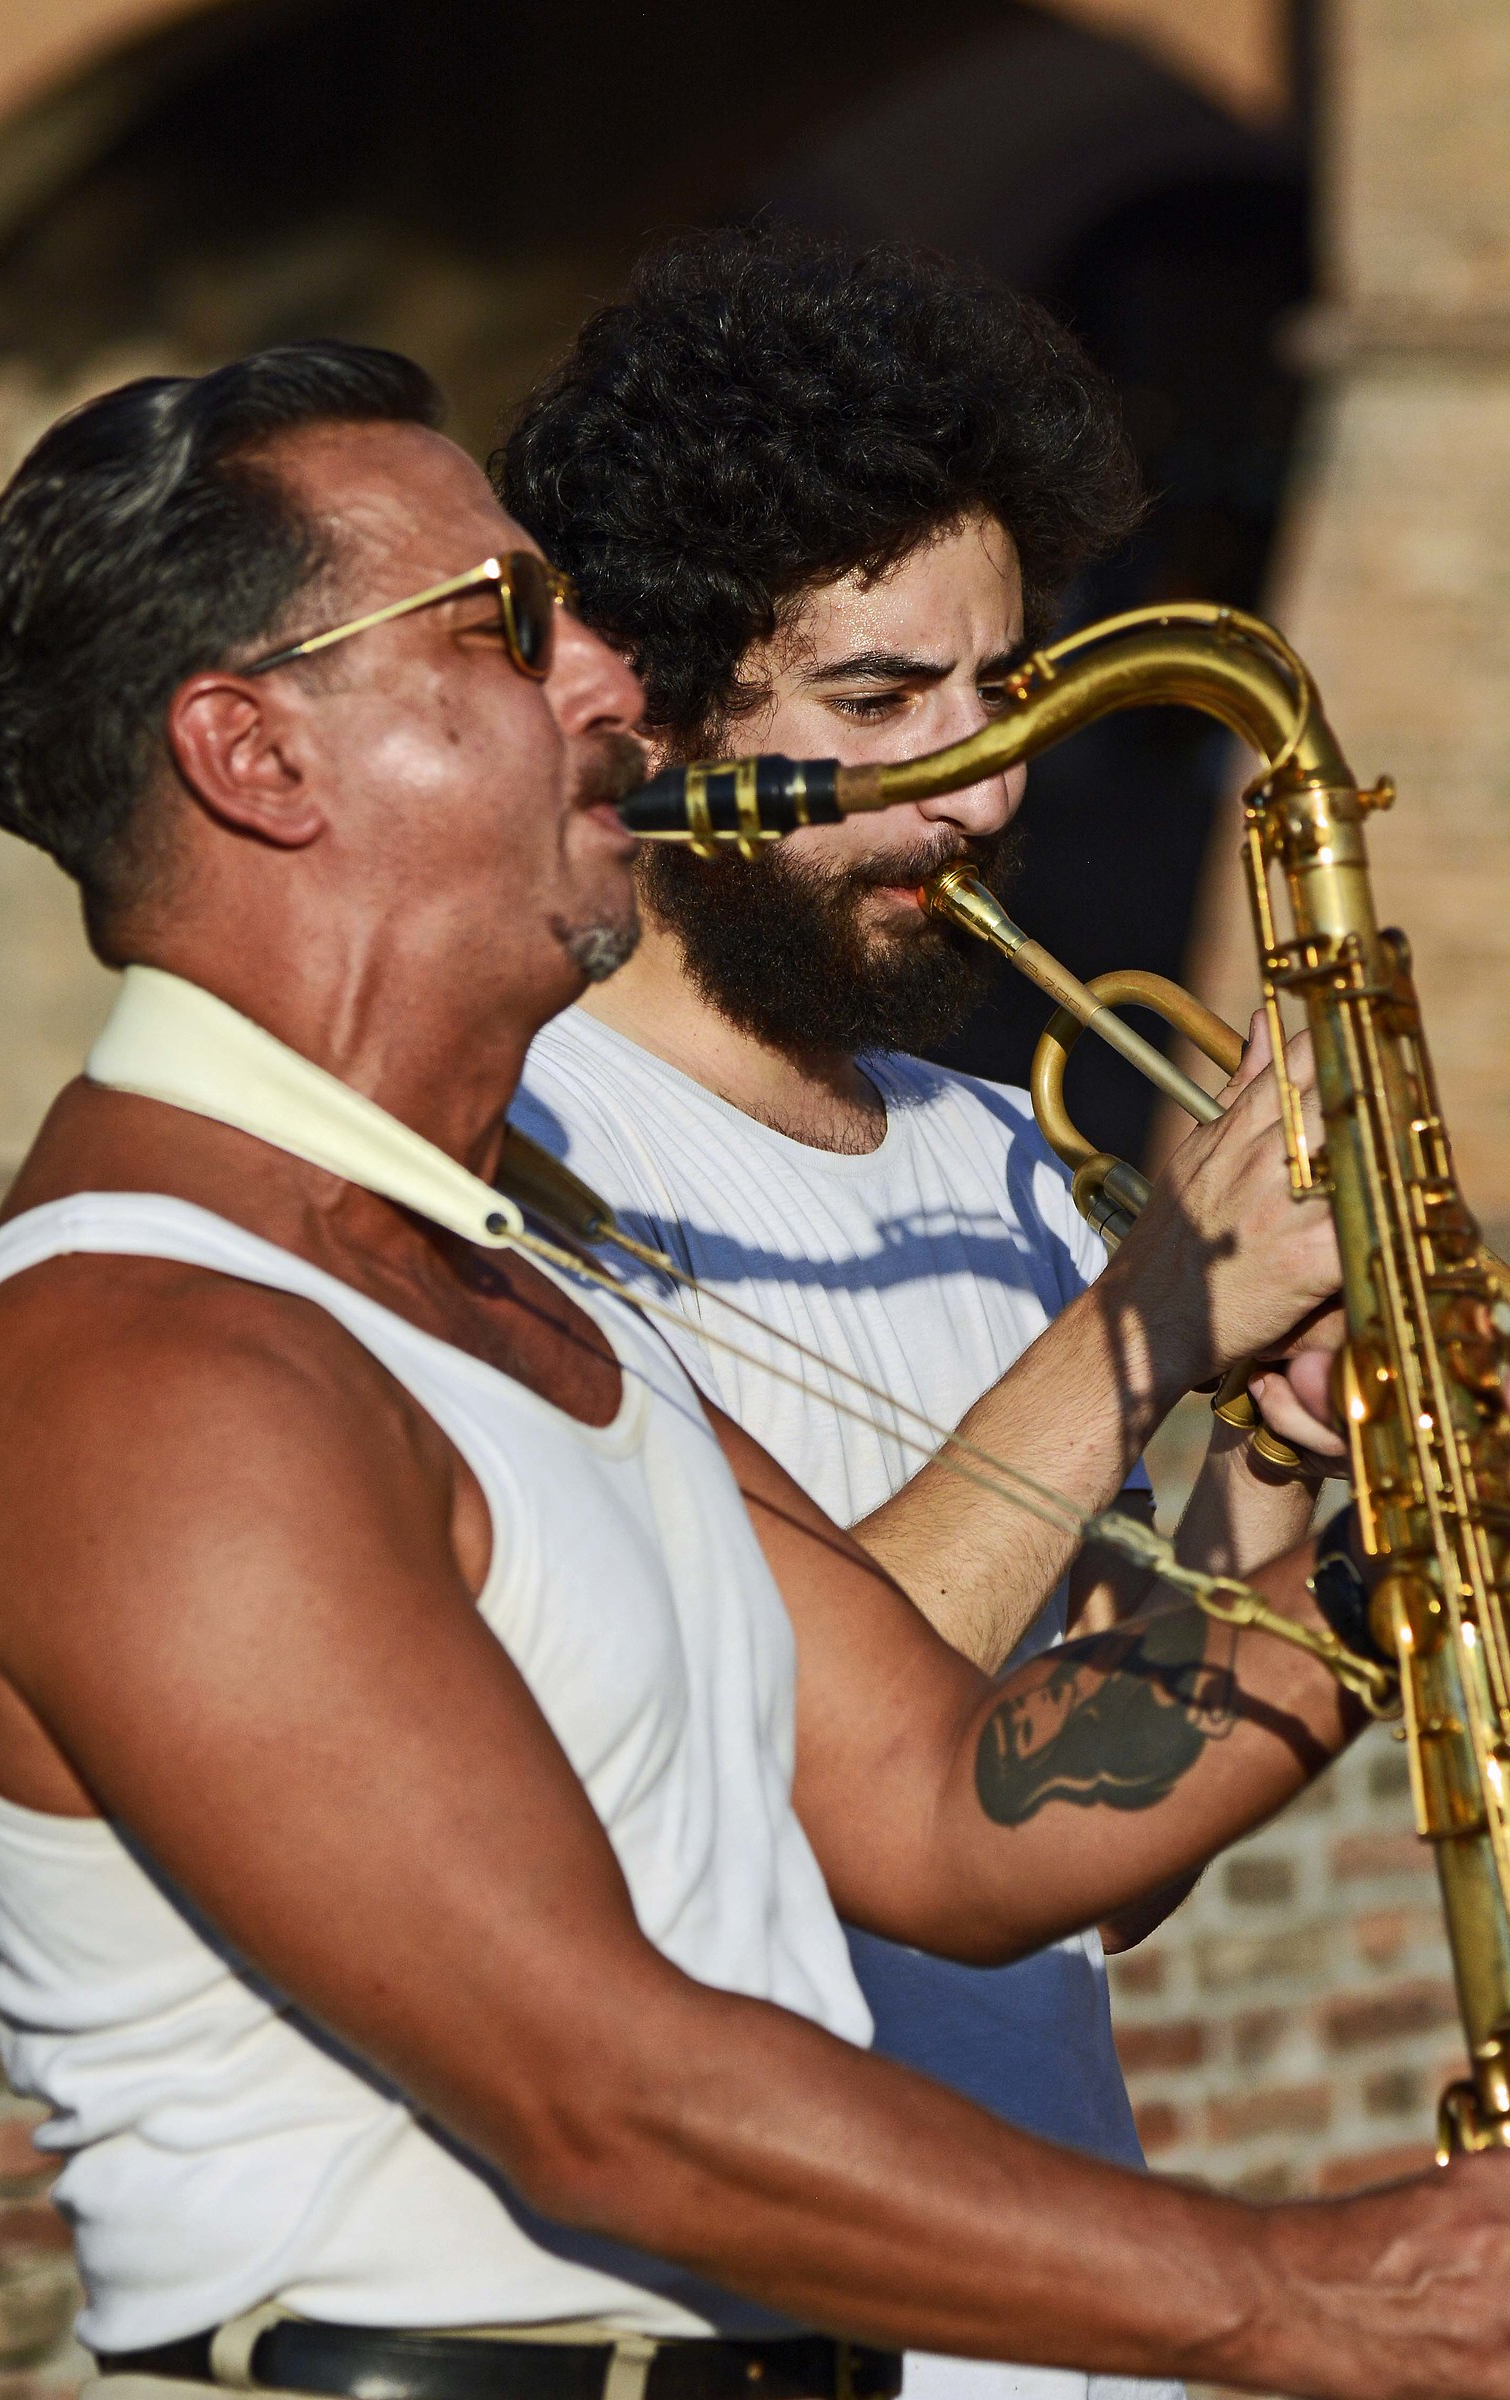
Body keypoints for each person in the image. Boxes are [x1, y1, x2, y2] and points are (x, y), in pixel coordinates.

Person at [0, 339, 1505, 2400]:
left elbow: (945, 1815)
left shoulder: (498, 1299)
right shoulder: (149, 1362)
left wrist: (1406, 1550)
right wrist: (1321, 2295)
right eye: (501, 624)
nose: (605, 678)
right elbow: (608, 2096)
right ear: (255, 755)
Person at [495, 225, 1344, 2400]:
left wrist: (1279, 1458)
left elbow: (1090, 1863)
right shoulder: (515, 1153)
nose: (978, 789)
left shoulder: (995, 1157)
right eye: (879, 708)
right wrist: (1151, 1313)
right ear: (659, 724)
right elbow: (794, 1775)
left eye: (1003, 695)